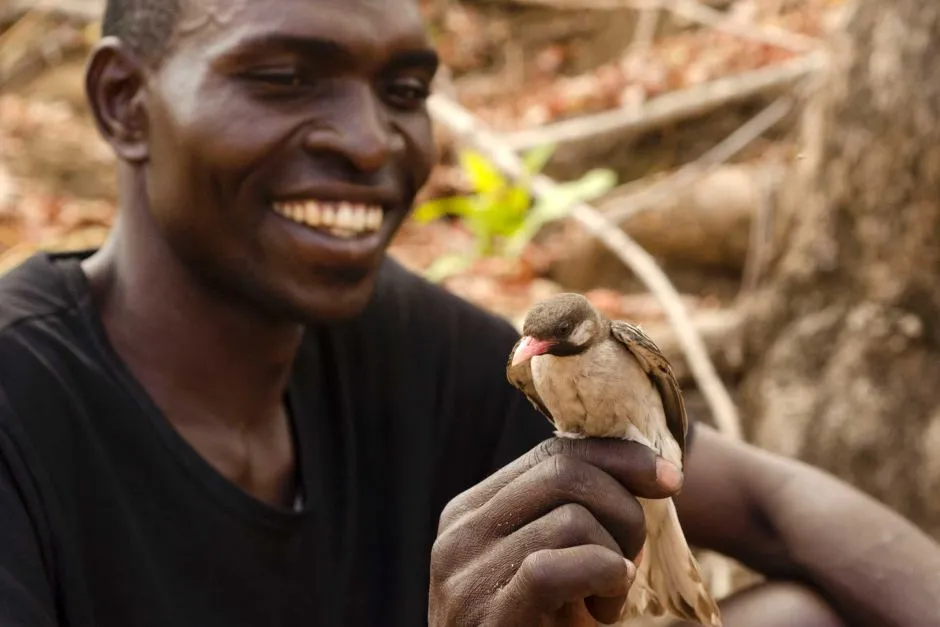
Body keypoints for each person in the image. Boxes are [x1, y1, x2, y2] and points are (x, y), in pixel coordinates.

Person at [0, 0, 938, 625]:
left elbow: (776, 504)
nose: (373, 142)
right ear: (125, 103)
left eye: (405, 92)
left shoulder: (392, 338)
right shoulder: (22, 408)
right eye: (283, 77)